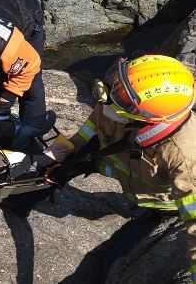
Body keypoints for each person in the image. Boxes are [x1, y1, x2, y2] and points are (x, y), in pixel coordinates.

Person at [47, 55, 196, 279]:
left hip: (163, 205)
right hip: (125, 178)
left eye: (117, 97)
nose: (102, 100)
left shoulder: (183, 156)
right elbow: (87, 131)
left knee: (112, 262)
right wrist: (60, 155)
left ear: (144, 119)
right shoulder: (114, 102)